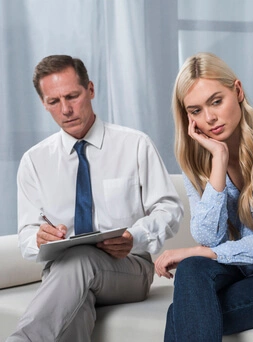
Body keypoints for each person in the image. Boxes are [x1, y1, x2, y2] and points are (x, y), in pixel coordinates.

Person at [8, 55, 183, 342]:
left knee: (80, 261)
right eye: (54, 102)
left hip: (128, 268)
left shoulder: (134, 144)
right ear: (44, 104)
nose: (65, 109)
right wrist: (38, 239)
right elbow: (27, 233)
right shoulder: (34, 161)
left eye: (72, 96)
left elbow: (169, 209)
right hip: (63, 274)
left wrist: (134, 236)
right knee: (74, 306)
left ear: (90, 89)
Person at [154, 52, 253, 341]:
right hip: (238, 270)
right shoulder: (196, 161)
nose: (210, 118)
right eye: (195, 111)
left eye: (216, 101)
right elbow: (208, 238)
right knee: (192, 269)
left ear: (238, 91)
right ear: (188, 118)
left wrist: (196, 251)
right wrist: (218, 161)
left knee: (179, 314)